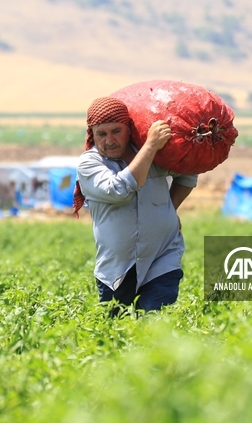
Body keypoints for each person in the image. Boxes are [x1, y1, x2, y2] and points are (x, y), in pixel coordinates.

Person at [73, 96, 197, 314]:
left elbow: (188, 172)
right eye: (101, 134)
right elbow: (118, 189)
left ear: (129, 129)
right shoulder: (90, 163)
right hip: (117, 270)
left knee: (153, 325)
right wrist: (149, 146)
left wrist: (170, 208)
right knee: (113, 335)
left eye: (116, 131)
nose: (109, 140)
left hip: (162, 258)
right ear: (92, 134)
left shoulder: (154, 154)